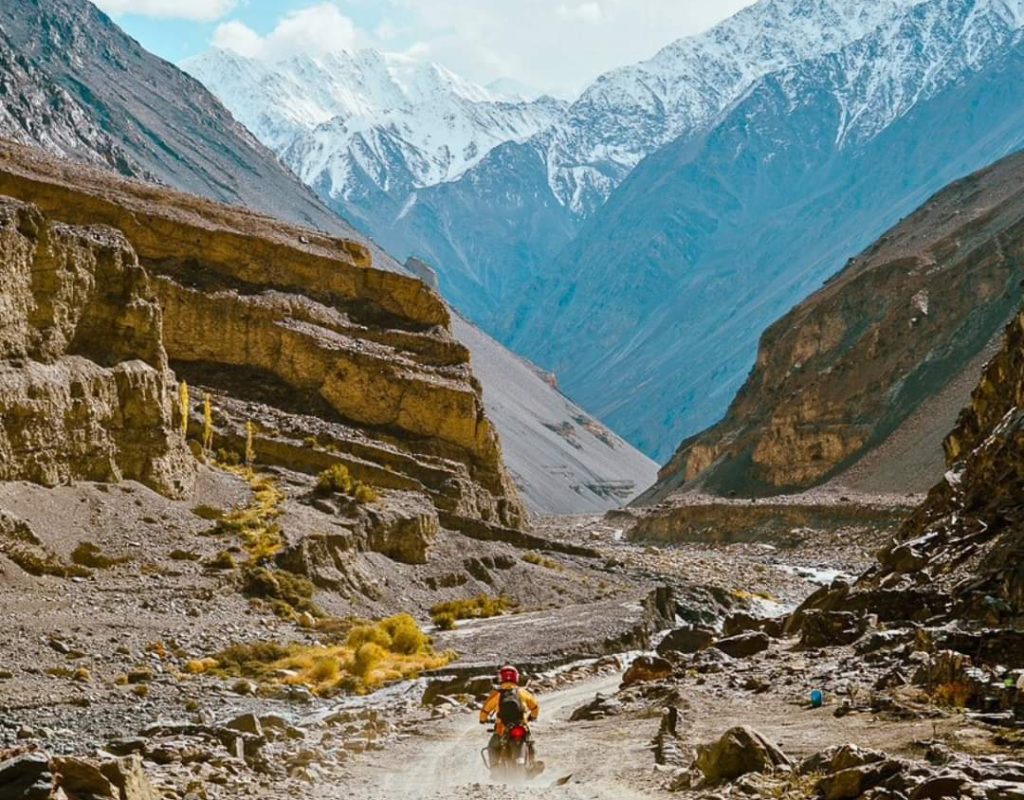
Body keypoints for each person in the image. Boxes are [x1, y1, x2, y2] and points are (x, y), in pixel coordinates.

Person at [479, 664, 539, 766]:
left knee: (492, 746)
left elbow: (485, 710)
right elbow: (535, 707)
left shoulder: (497, 694)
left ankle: (495, 769)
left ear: (501, 678)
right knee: (530, 742)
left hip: (502, 728)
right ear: (516, 677)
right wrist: (532, 717)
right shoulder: (523, 692)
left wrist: (483, 720)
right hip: (521, 726)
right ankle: (533, 763)